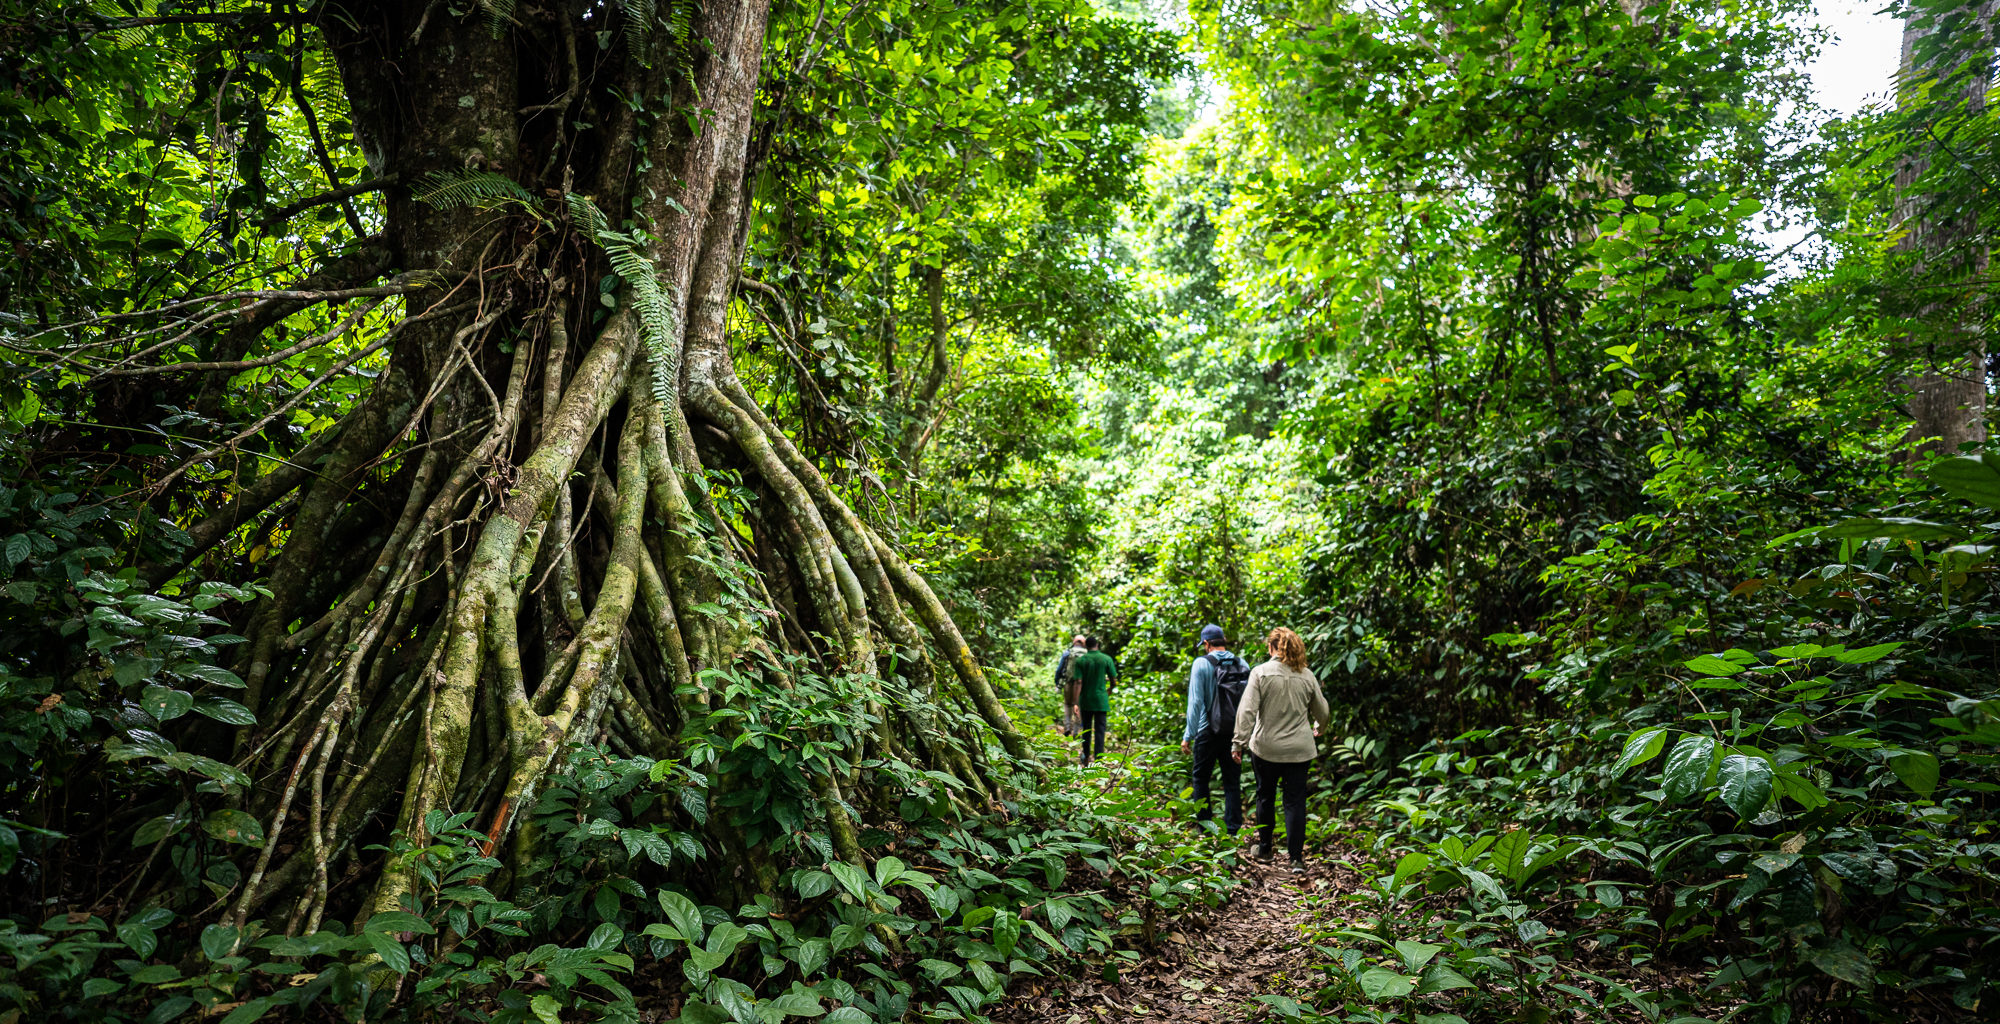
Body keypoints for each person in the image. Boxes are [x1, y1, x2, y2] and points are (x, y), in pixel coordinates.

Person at [1232, 626, 1330, 873]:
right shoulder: (1307, 675)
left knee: (1266, 795)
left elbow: (1246, 711)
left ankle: (1265, 849)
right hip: (1300, 749)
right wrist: (1319, 727)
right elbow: (1324, 711)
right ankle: (1296, 859)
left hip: (1266, 748)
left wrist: (1238, 743)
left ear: (1272, 647)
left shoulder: (1261, 673)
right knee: (1295, 801)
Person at [1181, 623, 1250, 834]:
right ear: (1224, 642)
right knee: (1232, 781)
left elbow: (1195, 703)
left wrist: (1188, 736)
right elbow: (1248, 703)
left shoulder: (1201, 664)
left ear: (1207, 643)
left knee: (1201, 778)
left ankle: (1204, 827)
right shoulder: (1243, 664)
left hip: (1207, 730)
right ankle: (1233, 830)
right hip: (1234, 732)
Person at [1066, 637, 1118, 766]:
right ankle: (1098, 760)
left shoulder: (1081, 661)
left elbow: (1078, 682)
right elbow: (1113, 680)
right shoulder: (1106, 659)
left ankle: (1086, 758)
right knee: (1100, 731)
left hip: (1086, 701)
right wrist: (1110, 688)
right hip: (1101, 700)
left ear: (1086, 647)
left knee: (1087, 730)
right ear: (1098, 645)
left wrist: (1075, 703)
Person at [1053, 634, 1086, 736]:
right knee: (1079, 706)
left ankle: (1067, 727)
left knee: (1068, 704)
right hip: (1081, 685)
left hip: (1068, 682)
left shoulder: (1067, 653)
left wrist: (1057, 682)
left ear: (1074, 642)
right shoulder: (1087, 654)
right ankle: (1076, 732)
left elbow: (1059, 670)